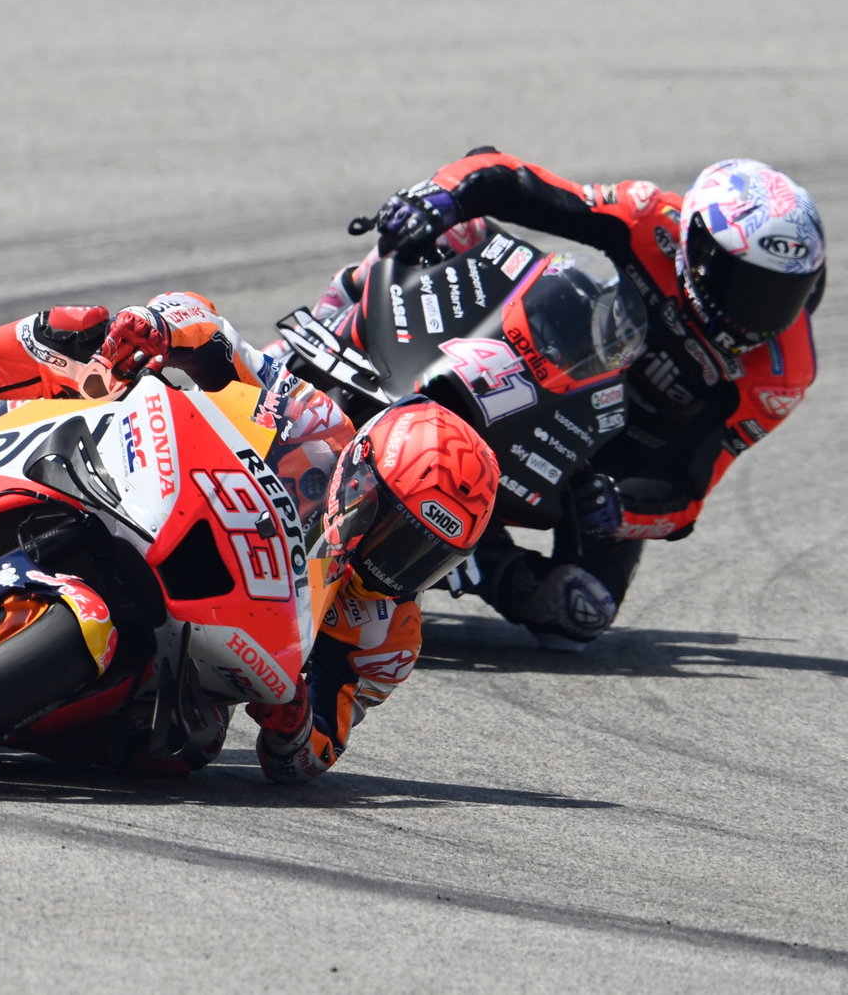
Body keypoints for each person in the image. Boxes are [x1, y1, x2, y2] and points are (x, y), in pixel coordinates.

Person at [0, 283, 499, 782]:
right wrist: (156, 327)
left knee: (178, 748)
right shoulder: (316, 423)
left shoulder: (389, 638)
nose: (397, 567)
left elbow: (314, 755)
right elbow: (214, 332)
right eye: (397, 534)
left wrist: (292, 726)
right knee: (83, 330)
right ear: (360, 479)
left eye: (428, 560)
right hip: (148, 488)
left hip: (190, 644)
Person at [345, 148, 823, 649]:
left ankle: (477, 556)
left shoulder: (779, 376)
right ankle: (337, 324)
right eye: (745, 284)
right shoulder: (648, 218)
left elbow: (688, 489)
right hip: (545, 361)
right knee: (453, 230)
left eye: (783, 293)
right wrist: (441, 194)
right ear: (696, 244)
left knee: (578, 607)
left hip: (600, 458)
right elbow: (514, 181)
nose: (759, 315)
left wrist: (620, 506)